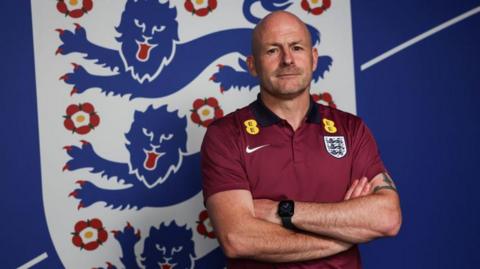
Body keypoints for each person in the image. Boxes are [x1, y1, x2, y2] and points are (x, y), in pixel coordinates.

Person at [201, 11, 401, 269]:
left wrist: (281, 211)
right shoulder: (226, 135)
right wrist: (342, 237)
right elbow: (238, 238)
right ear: (252, 65)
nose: (287, 60)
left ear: (313, 58)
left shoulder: (351, 129)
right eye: (272, 50)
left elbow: (387, 217)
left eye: (296, 47)